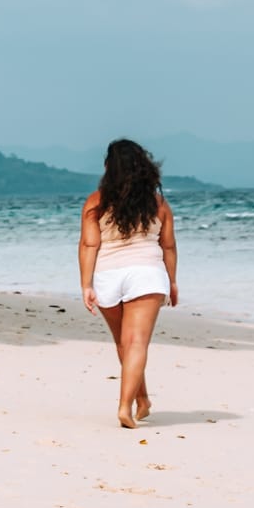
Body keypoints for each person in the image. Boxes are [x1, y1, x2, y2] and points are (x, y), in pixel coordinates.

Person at [78, 138, 179, 428]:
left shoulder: (95, 202)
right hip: (147, 274)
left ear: (109, 168)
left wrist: (86, 284)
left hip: (108, 275)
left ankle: (142, 401)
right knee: (135, 343)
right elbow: (168, 246)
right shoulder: (158, 204)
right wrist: (171, 282)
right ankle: (128, 405)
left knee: (125, 343)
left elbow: (88, 245)